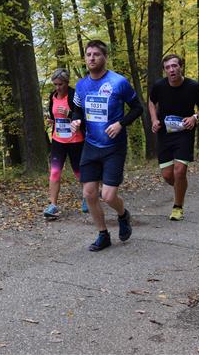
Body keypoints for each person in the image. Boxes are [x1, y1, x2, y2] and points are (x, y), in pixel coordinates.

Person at [70, 40, 143, 251]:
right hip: (91, 146)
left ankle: (123, 214)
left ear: (105, 57)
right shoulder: (81, 85)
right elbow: (77, 109)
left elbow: (137, 108)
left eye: (96, 54)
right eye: (88, 55)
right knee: (89, 194)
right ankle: (103, 234)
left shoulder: (118, 82)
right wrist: (76, 120)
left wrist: (121, 124)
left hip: (114, 147)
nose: (92, 58)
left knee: (108, 196)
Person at [148, 54, 199, 221]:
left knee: (180, 171)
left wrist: (195, 117)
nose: (171, 70)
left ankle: (178, 207)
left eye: (174, 66)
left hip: (184, 132)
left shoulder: (193, 86)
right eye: (168, 67)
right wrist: (154, 120)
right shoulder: (159, 86)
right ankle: (180, 187)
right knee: (168, 176)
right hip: (165, 134)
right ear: (164, 70)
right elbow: (151, 102)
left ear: (181, 67)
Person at [43, 68, 85, 219]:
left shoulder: (74, 95)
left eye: (60, 84)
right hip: (58, 140)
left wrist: (69, 114)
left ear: (67, 82)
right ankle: (53, 205)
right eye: (55, 84)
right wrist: (52, 121)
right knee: (55, 172)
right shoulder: (52, 96)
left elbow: (82, 116)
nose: (58, 87)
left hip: (75, 141)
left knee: (78, 171)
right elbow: (54, 115)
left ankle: (87, 197)